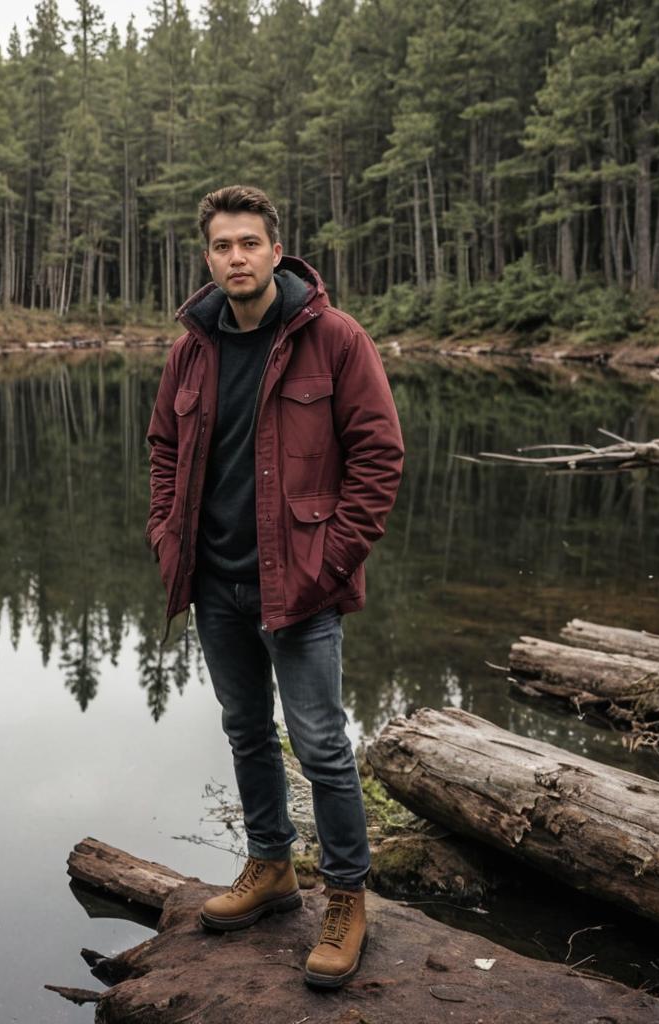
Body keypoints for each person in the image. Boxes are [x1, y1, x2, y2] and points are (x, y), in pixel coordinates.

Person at [145, 184, 404, 989]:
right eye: (222, 246)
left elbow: (379, 458)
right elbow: (161, 449)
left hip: (301, 587)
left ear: (274, 248)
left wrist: (330, 563)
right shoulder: (193, 346)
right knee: (246, 731)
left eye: (248, 243)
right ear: (208, 254)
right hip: (217, 585)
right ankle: (270, 865)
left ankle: (347, 895)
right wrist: (166, 538)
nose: (236, 258)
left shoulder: (332, 338)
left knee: (323, 745)